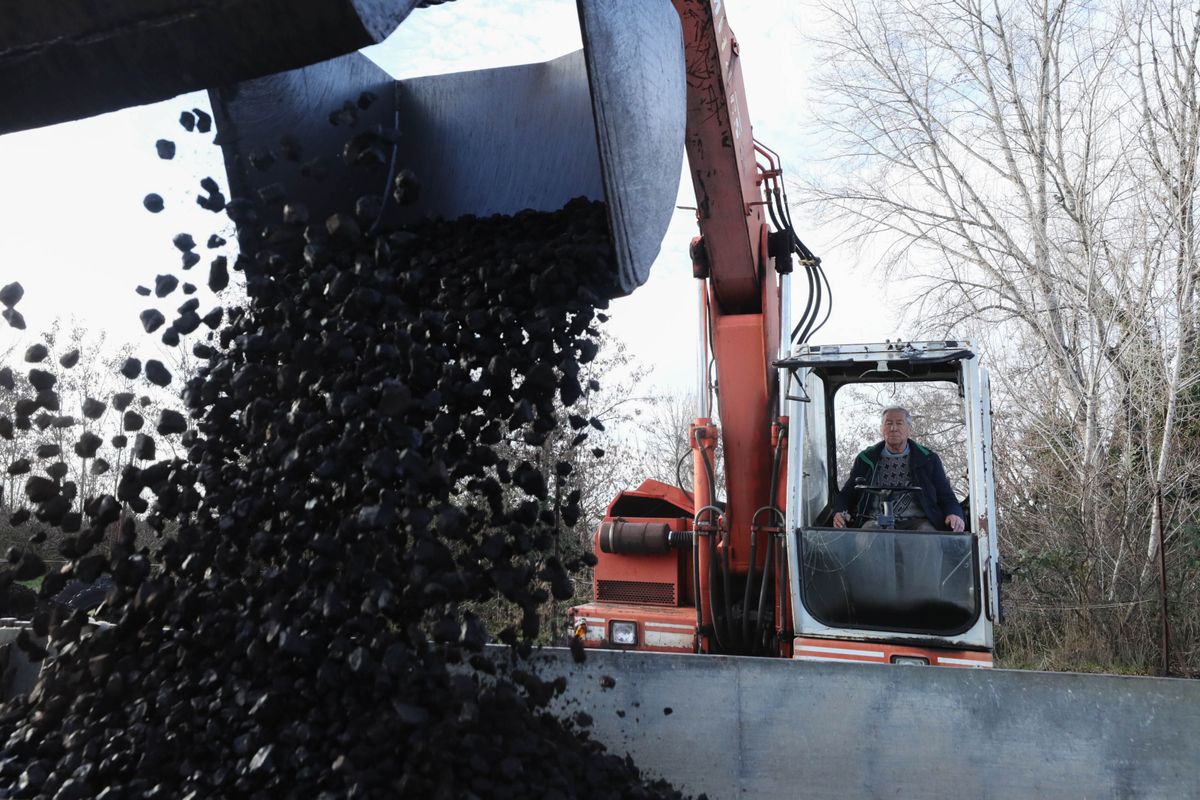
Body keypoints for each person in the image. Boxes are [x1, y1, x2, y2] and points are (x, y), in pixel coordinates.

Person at [831, 407, 965, 532]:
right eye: (888, 423)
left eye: (899, 423)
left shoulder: (928, 459)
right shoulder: (866, 459)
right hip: (876, 521)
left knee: (927, 534)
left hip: (917, 522)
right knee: (867, 534)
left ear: (909, 429)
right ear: (881, 429)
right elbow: (847, 494)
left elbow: (946, 496)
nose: (893, 428)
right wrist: (840, 511)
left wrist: (954, 514)